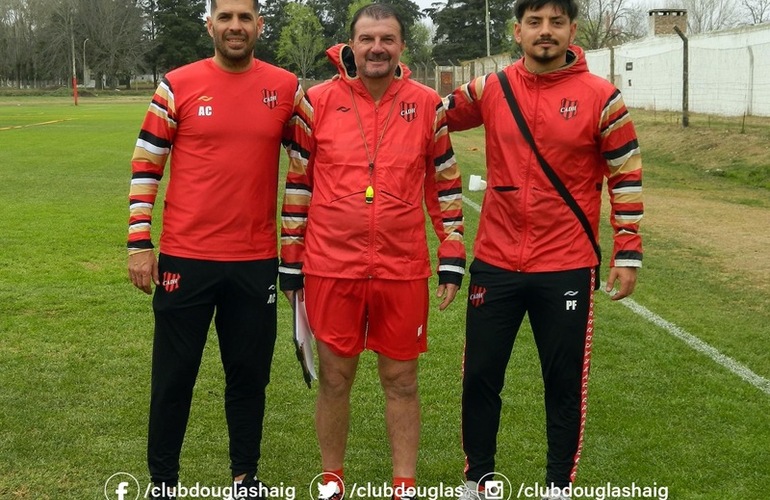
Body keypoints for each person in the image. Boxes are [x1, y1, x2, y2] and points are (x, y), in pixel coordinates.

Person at [444, 1, 644, 499]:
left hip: (567, 265)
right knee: (480, 377)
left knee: (562, 384)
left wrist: (627, 251)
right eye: (535, 22)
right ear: (518, 31)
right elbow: (432, 114)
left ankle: (558, 487)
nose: (546, 32)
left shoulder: (603, 98)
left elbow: (626, 176)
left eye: (556, 22)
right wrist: (381, 76)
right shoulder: (492, 87)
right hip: (495, 261)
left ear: (573, 30)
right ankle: (478, 481)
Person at [278, 4, 466, 500]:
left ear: (402, 46)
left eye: (387, 39)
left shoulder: (427, 104)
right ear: (351, 45)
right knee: (335, 378)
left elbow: (444, 186)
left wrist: (451, 250)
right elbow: (298, 185)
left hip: (401, 267)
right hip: (330, 264)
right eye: (367, 39)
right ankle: (332, 482)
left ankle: (404, 484)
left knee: (401, 379)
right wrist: (291, 260)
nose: (377, 47)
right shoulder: (316, 101)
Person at [126, 0, 304, 498]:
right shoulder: (176, 84)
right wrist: (140, 243)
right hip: (186, 258)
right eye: (225, 17)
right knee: (173, 379)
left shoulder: (286, 88)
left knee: (249, 379)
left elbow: (308, 164)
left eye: (245, 17)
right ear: (210, 25)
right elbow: (146, 167)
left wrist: (293, 251)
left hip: (254, 262)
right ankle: (163, 483)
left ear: (259, 26)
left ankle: (245, 479)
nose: (235, 26)